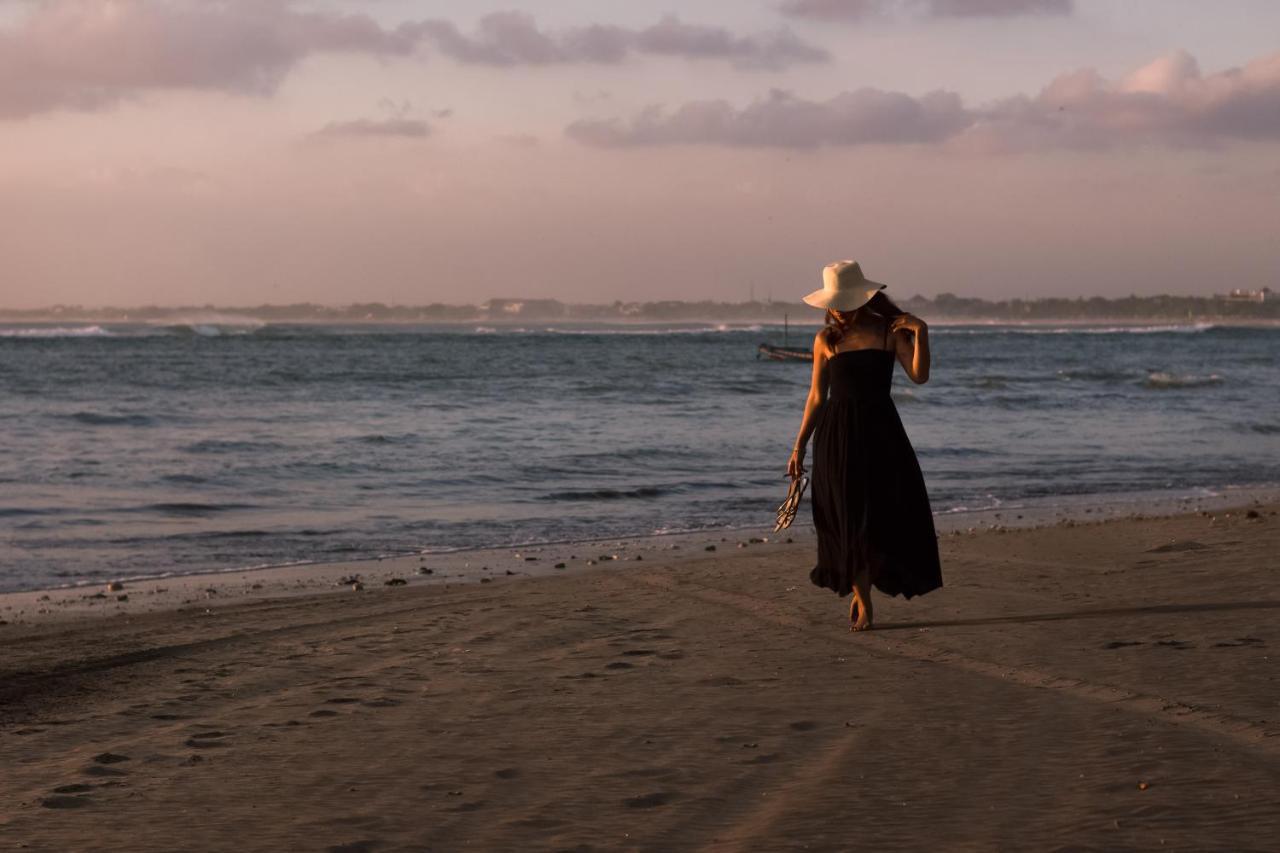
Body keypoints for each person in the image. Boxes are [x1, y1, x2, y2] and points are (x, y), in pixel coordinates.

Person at [787, 260, 943, 631]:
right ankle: (863, 596)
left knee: (881, 515)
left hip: (881, 433)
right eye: (834, 302)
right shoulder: (827, 340)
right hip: (837, 436)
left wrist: (921, 332)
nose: (837, 308)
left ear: (861, 299)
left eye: (844, 300)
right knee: (844, 516)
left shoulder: (890, 332)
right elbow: (815, 397)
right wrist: (798, 447)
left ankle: (868, 586)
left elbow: (919, 376)